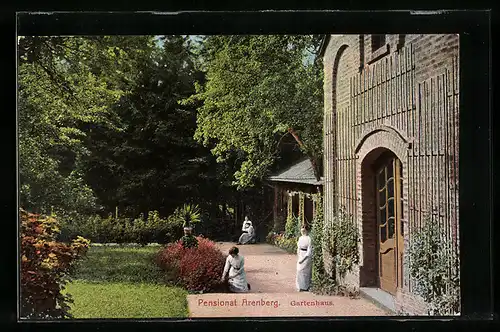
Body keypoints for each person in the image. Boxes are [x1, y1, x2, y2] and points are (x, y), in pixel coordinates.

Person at [296, 226, 313, 291]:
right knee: (299, 270)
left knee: (305, 272)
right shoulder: (300, 238)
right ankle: (300, 286)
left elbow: (309, 250)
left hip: (306, 257)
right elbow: (298, 247)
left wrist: (303, 259)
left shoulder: (309, 239)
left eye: (304, 231)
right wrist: (299, 256)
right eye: (301, 230)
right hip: (300, 255)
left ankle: (306, 287)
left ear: (306, 231)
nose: (302, 232)